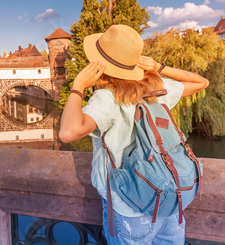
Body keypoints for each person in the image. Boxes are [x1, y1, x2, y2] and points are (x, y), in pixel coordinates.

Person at [59, 25, 209, 244]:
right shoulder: (156, 88)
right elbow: (201, 82)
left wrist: (78, 86)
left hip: (130, 207)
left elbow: (68, 132)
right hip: (169, 202)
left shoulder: (107, 98)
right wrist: (160, 67)